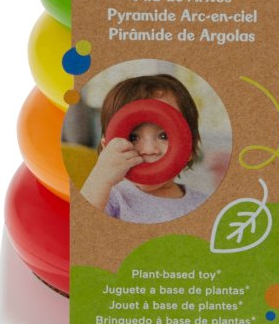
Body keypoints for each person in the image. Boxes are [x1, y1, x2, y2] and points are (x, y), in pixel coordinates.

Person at [81, 74, 208, 224]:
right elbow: (80, 225)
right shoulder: (111, 198)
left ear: (190, 147)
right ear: (107, 149)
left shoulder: (202, 204)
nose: (149, 150)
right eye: (133, 137)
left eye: (163, 136)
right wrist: (100, 178)